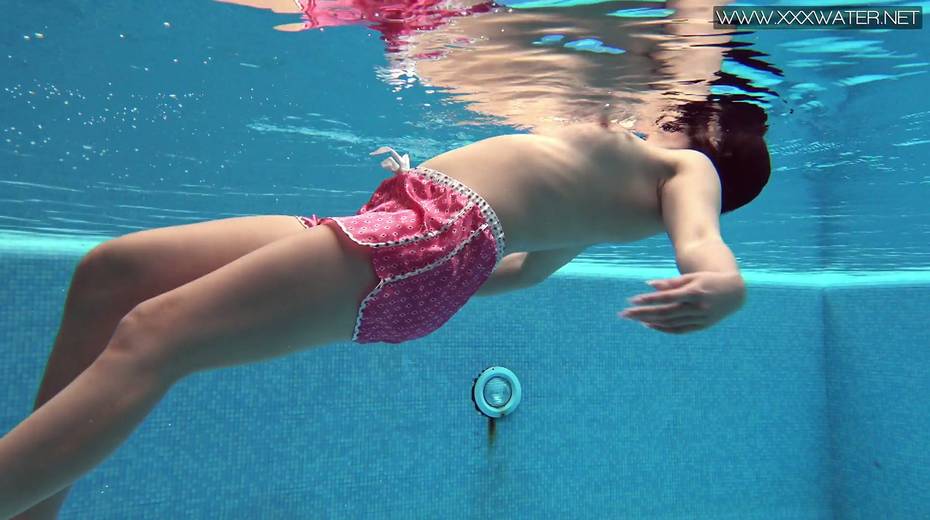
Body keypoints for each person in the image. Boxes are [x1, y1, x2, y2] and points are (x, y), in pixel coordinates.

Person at [0, 102, 769, 517]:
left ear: (702, 126)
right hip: (409, 234)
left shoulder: (687, 165)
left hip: (427, 235)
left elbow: (704, 245)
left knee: (155, 335)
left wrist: (722, 284)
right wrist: (432, 269)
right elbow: (524, 273)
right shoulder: (616, 199)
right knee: (114, 275)